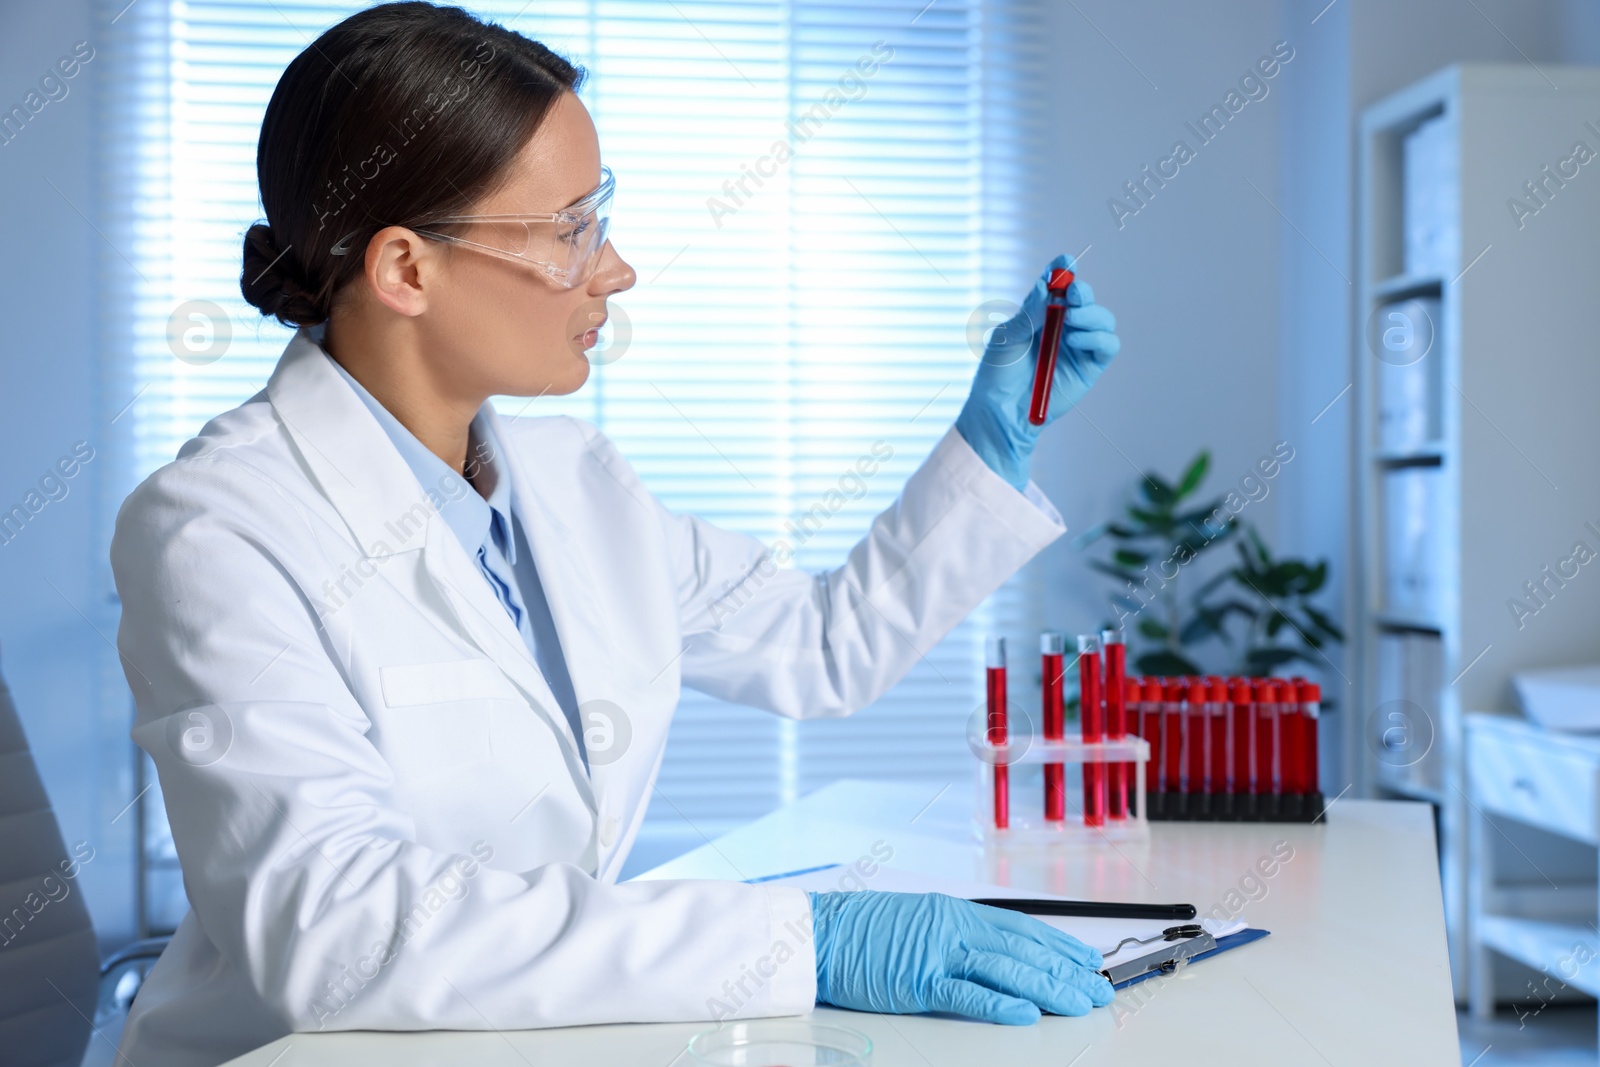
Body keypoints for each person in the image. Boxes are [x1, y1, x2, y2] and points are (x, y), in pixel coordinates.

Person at [110, 4, 1123, 1065]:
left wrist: (986, 448)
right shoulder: (216, 528)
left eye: (598, 215)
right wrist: (797, 942)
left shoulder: (574, 482)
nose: (616, 268)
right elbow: (342, 930)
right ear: (406, 270)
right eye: (566, 232)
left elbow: (826, 646)